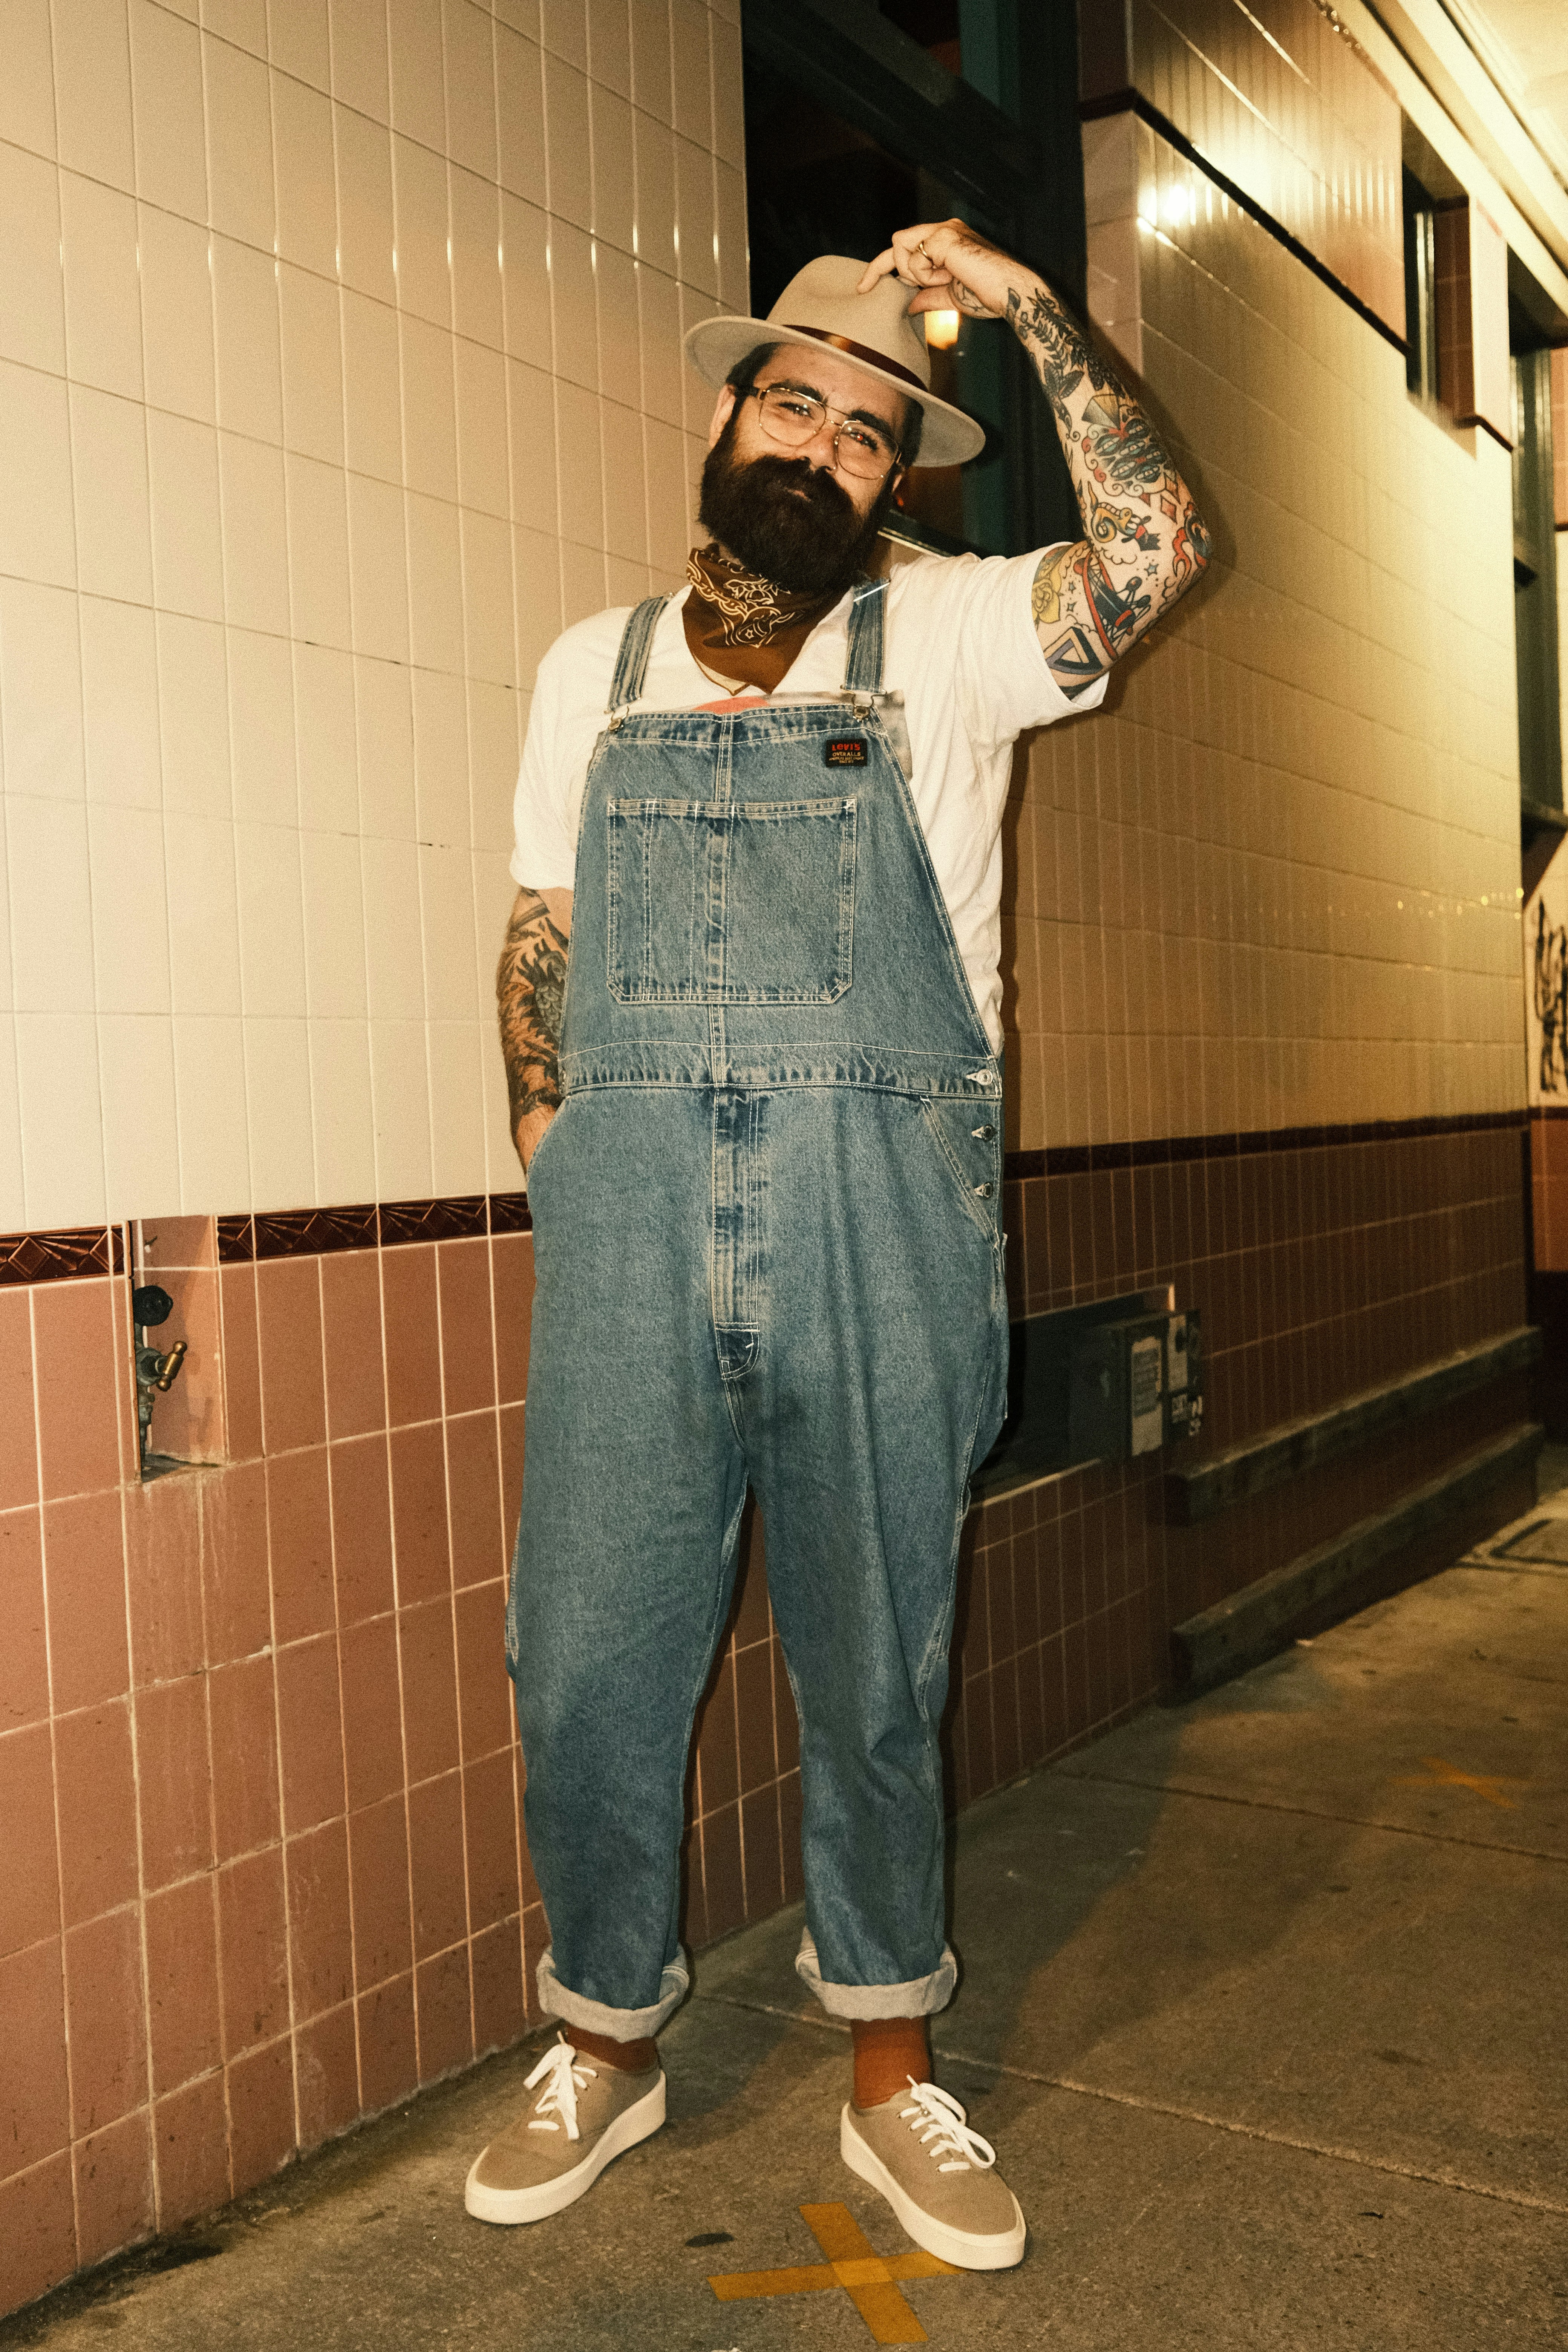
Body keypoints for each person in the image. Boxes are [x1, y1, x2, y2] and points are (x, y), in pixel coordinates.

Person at [467, 220, 1209, 2268]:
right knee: (587, 1661)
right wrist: (563, 1153)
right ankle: (605, 2035)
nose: (822, 444)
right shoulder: (589, 669)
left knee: (878, 1656)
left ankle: (894, 2067)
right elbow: (540, 932)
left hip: (876, 1207)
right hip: (625, 1206)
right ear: (726, 415)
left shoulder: (956, 641)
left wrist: (1040, 307)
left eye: (872, 432)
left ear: (898, 480)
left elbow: (1154, 552)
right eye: (793, 400)